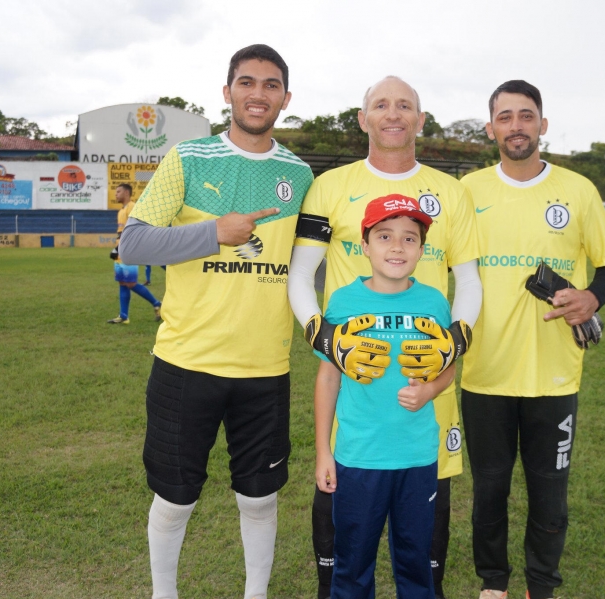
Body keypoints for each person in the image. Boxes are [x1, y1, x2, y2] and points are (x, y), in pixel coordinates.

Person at [118, 44, 313, 599]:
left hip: (265, 366)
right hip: (186, 362)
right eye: (246, 83)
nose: (258, 94)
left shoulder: (299, 176)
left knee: (260, 497)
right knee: (176, 497)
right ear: (227, 92)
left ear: (286, 98)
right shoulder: (188, 157)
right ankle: (164, 593)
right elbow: (134, 240)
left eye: (271, 85)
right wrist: (214, 233)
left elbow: (310, 267)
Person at [288, 75, 482, 599]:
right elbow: (301, 274)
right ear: (363, 118)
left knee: (420, 553)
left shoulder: (451, 191)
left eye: (405, 106)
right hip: (359, 409)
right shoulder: (330, 186)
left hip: (420, 409)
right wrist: (325, 338)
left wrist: (454, 343)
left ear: (420, 120)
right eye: (381, 104)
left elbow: (468, 279)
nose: (393, 114)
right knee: (350, 557)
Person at [460, 80, 605, 599]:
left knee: (549, 494)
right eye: (505, 117)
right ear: (491, 129)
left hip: (553, 374)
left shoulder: (578, 190)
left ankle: (542, 586)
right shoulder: (467, 191)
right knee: (489, 489)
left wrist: (592, 298)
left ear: (542, 125)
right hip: (484, 371)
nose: (516, 126)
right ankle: (493, 582)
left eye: (526, 116)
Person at [315, 194, 456, 599]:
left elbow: (448, 365)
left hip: (417, 455)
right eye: (384, 236)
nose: (397, 247)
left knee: (415, 562)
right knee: (353, 562)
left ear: (422, 250)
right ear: (365, 245)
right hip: (359, 456)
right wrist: (324, 451)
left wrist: (430, 389)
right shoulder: (344, 301)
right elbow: (328, 379)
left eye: (409, 238)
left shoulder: (433, 302)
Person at [107, 183, 161, 324]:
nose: (116, 194)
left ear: (126, 193)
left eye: (118, 191)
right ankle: (124, 316)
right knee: (122, 283)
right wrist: (116, 249)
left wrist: (118, 249)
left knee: (130, 283)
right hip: (120, 252)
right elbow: (121, 233)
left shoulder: (132, 207)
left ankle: (157, 303)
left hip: (128, 252)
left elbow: (132, 232)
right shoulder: (121, 211)